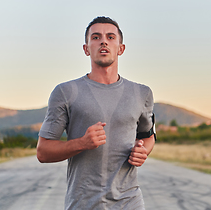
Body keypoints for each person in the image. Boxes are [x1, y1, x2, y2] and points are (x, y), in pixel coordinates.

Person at [37, 16, 156, 210]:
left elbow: (148, 137)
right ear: (86, 49)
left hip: (130, 202)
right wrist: (82, 143)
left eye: (110, 37)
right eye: (96, 37)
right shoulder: (65, 92)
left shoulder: (142, 93)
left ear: (121, 48)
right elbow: (43, 152)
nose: (103, 41)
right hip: (84, 203)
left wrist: (143, 151)